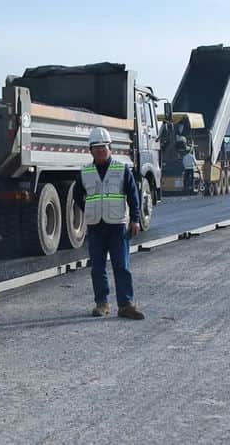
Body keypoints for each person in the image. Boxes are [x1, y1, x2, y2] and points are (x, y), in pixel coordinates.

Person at [74, 127, 145, 320]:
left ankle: (126, 305)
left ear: (110, 148)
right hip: (96, 227)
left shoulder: (121, 169)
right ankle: (102, 304)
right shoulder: (85, 172)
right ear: (90, 151)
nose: (100, 151)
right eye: (96, 148)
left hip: (117, 226)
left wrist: (135, 219)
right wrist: (89, 209)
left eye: (103, 148)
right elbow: (77, 195)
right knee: (97, 267)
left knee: (121, 266)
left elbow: (133, 195)